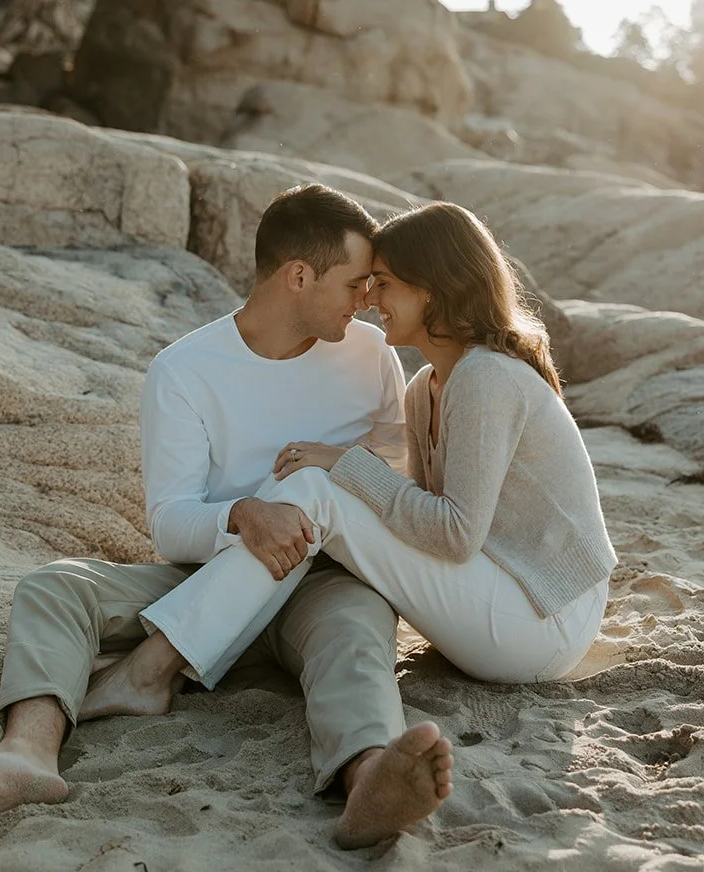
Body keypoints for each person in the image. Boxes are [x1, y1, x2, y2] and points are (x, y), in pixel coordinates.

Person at [0, 185, 455, 849]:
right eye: (355, 283)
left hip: (325, 586)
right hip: (203, 585)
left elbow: (390, 479)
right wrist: (243, 515)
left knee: (357, 635)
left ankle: (369, 782)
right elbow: (169, 522)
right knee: (54, 586)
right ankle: (26, 755)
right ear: (299, 276)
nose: (365, 300)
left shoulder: (371, 356)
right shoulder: (185, 369)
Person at [92, 201, 616, 723]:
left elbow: (454, 535)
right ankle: (157, 665)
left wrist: (343, 464)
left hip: (545, 618)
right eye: (365, 283)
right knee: (317, 489)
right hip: (494, 593)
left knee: (318, 488)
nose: (369, 299)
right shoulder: (423, 390)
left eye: (382, 283)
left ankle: (150, 669)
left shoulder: (486, 376)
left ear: (431, 288)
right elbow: (417, 516)